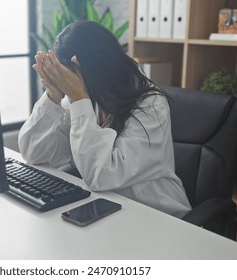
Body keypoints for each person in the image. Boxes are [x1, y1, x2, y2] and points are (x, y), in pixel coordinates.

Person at [18, 20, 191, 218]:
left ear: (97, 68)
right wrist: (53, 94)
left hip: (158, 216)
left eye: (70, 77)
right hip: (110, 209)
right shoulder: (85, 98)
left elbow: (101, 175)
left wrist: (79, 99)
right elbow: (33, 152)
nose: (69, 85)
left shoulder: (151, 105)